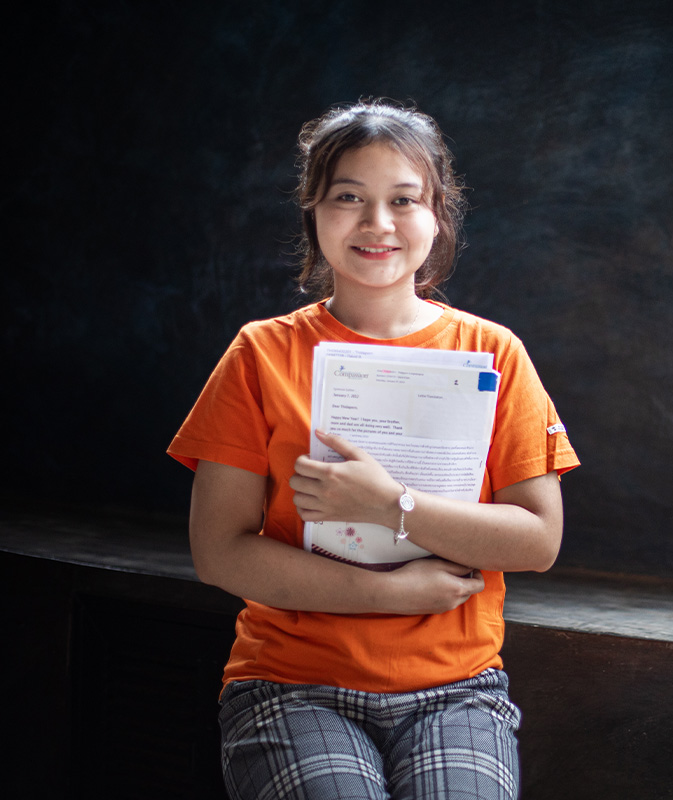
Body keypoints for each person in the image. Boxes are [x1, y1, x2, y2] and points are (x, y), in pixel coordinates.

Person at [169, 99, 579, 800]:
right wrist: (388, 595)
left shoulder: (493, 353)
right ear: (313, 212)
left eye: (404, 200)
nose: (377, 224)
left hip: (456, 691)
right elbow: (220, 551)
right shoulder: (259, 354)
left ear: (438, 214)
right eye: (348, 198)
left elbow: (537, 541)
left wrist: (393, 505)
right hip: (292, 686)